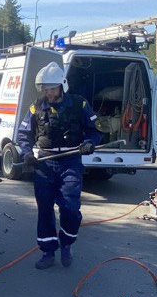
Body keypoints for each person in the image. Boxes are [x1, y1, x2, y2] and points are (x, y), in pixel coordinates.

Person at [15, 62, 105, 269]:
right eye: (45, 89)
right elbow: (23, 135)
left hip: (70, 161)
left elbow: (95, 130)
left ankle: (66, 244)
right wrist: (27, 153)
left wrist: (90, 143)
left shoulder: (79, 105)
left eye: (52, 89)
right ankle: (48, 252)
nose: (48, 93)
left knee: (70, 208)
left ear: (62, 86)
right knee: (45, 209)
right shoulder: (35, 107)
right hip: (45, 163)